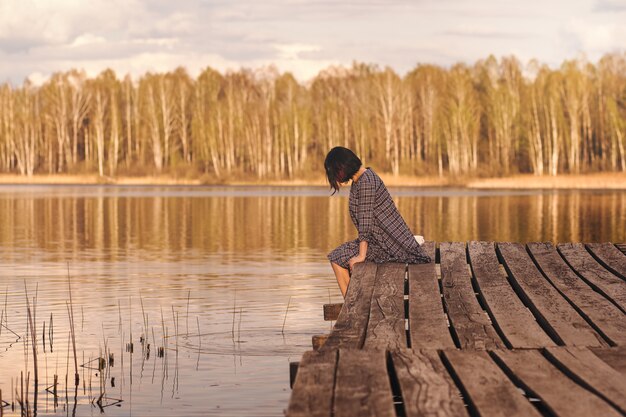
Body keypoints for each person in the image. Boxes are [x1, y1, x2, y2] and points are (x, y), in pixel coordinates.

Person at [325, 147, 431, 297]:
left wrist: (361, 256)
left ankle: (352, 305)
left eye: (334, 173)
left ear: (341, 167)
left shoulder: (366, 182)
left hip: (391, 246)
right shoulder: (362, 179)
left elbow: (365, 223)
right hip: (381, 241)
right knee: (336, 256)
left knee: (337, 258)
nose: (335, 178)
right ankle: (353, 302)